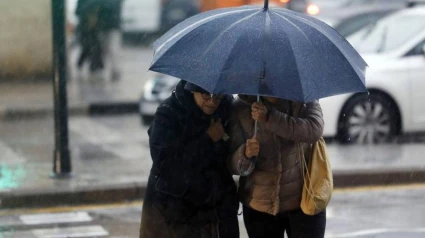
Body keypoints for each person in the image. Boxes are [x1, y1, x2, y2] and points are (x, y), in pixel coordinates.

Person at [140, 81, 239, 238]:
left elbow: (228, 158)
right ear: (192, 90)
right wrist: (207, 138)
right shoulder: (169, 113)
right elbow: (166, 164)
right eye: (206, 95)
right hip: (174, 213)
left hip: (218, 212)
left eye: (218, 95)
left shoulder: (227, 110)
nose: (213, 101)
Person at [229, 95, 326, 238]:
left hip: (304, 201)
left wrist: (270, 118)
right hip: (260, 206)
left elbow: (314, 130)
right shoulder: (241, 106)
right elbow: (231, 164)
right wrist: (245, 154)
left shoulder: (303, 98)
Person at [75, 0, 104, 75]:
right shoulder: (83, 3)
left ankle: (94, 66)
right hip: (86, 28)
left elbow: (101, 12)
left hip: (94, 29)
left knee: (95, 47)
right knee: (88, 47)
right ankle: (91, 65)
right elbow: (77, 12)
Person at [98, 0, 123, 81]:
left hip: (111, 26)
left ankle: (114, 70)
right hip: (107, 25)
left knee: (112, 49)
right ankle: (110, 70)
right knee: (106, 49)